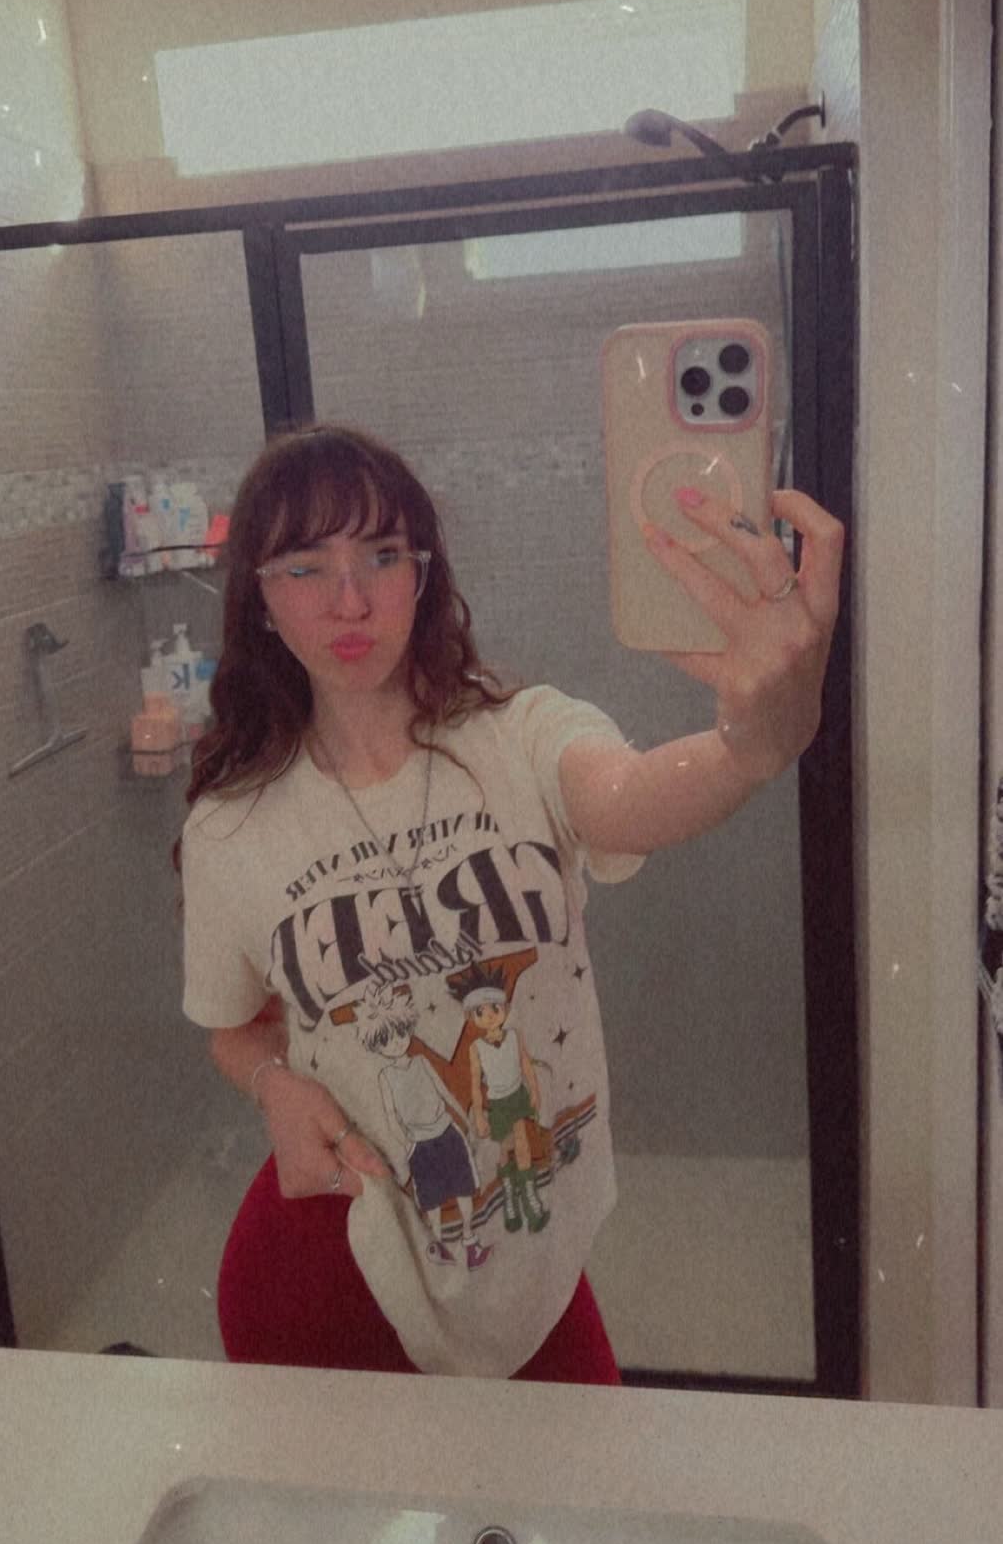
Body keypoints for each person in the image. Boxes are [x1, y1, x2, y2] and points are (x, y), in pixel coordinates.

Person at [175, 420, 843, 1384]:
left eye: (381, 555)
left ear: (422, 574)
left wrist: (756, 741)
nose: (350, 598)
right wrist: (276, 1085)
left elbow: (629, 796)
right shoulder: (230, 828)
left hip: (526, 1267)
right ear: (260, 599)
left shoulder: (520, 736)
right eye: (305, 567)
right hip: (332, 1261)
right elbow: (232, 1029)